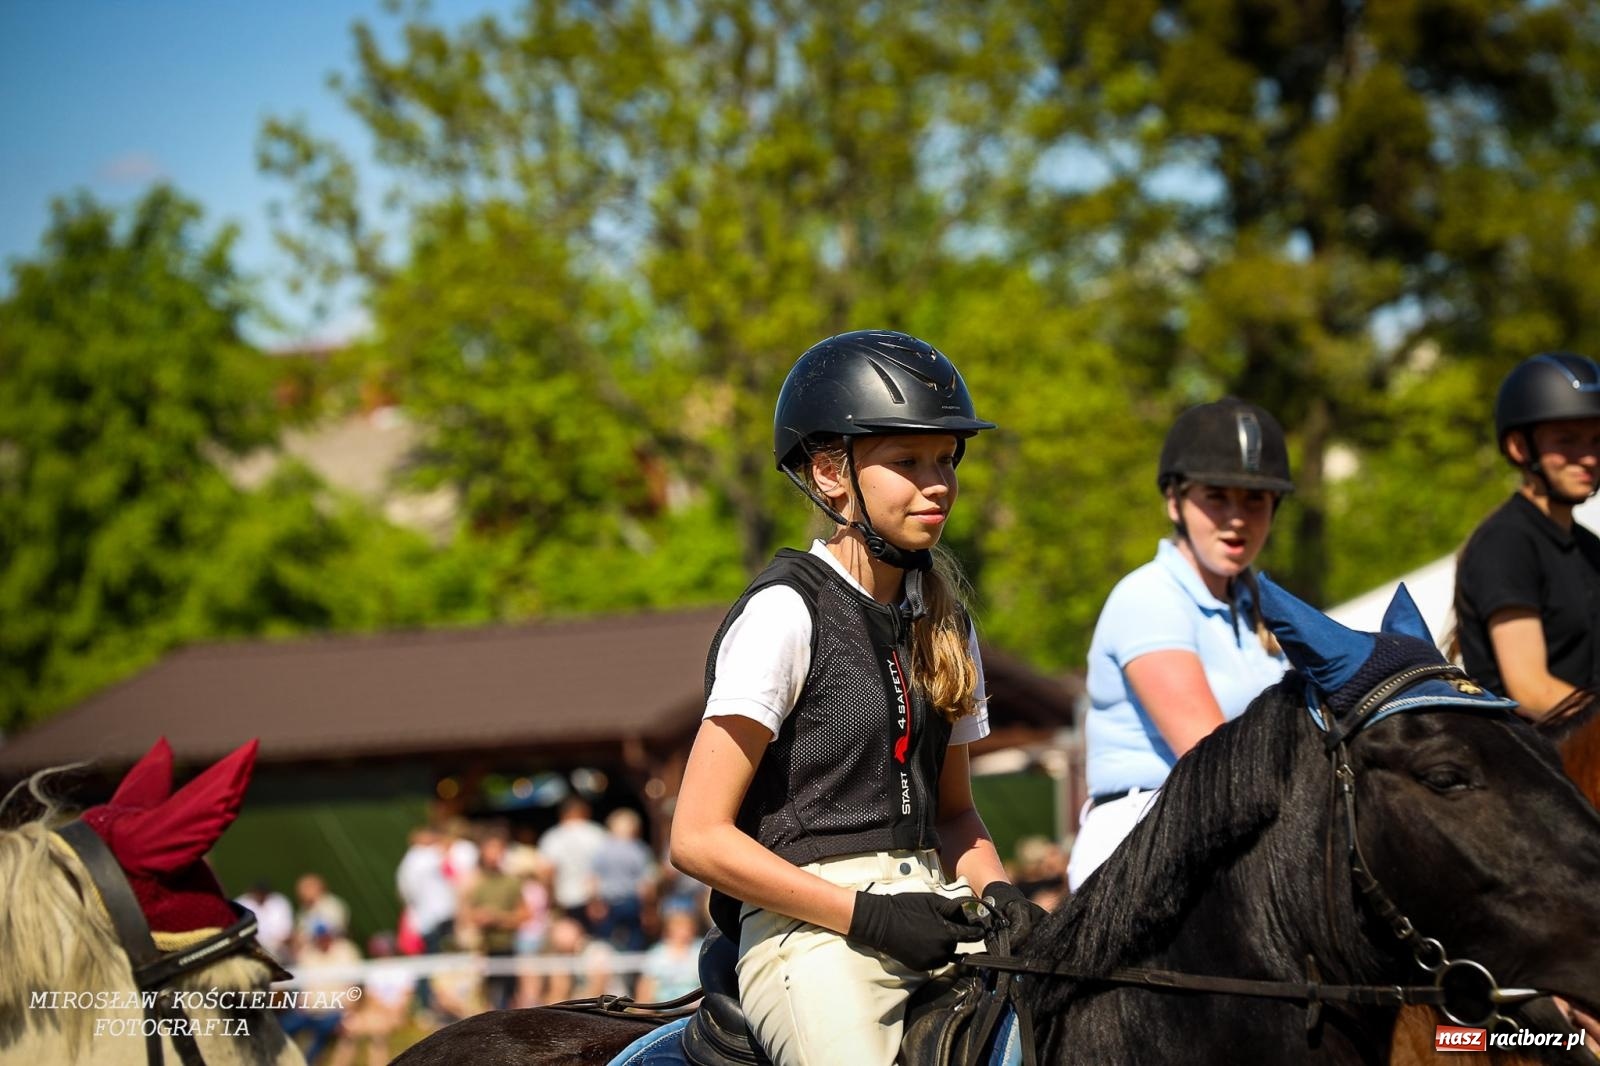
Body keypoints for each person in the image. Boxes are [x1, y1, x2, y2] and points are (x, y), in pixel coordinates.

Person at [669, 329, 1040, 1066]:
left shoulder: (948, 622)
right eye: (906, 462)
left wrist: (1004, 896)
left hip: (934, 915)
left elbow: (956, 812)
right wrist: (865, 915)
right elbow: (697, 837)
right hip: (809, 940)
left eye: (946, 459)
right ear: (830, 473)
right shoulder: (784, 614)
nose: (937, 483)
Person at [1067, 397, 1294, 892]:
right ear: (1174, 500)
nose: (1237, 518)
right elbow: (1212, 754)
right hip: (1140, 836)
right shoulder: (1148, 596)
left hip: (1241, 830)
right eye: (1217, 496)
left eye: (1255, 500)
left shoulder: (1266, 607)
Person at [1454, 352, 1600, 722]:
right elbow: (1531, 689)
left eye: (1597, 441)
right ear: (1521, 447)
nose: (1588, 458)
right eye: (1567, 441)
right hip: (1532, 763)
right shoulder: (1505, 544)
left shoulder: (1588, 547)